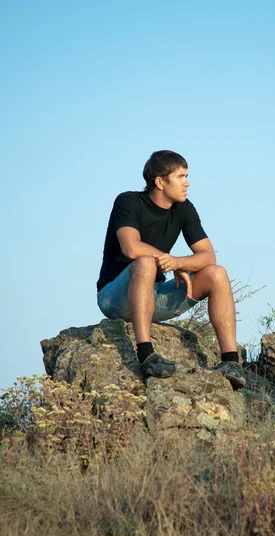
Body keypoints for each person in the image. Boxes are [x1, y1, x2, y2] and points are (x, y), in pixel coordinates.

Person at [97, 150, 246, 390]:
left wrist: (178, 263)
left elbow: (208, 256)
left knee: (217, 273)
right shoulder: (128, 201)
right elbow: (131, 248)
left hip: (153, 296)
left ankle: (230, 362)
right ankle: (146, 355)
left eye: (186, 176)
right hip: (114, 296)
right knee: (145, 262)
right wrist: (165, 261)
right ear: (160, 181)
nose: (187, 182)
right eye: (180, 176)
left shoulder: (184, 209)